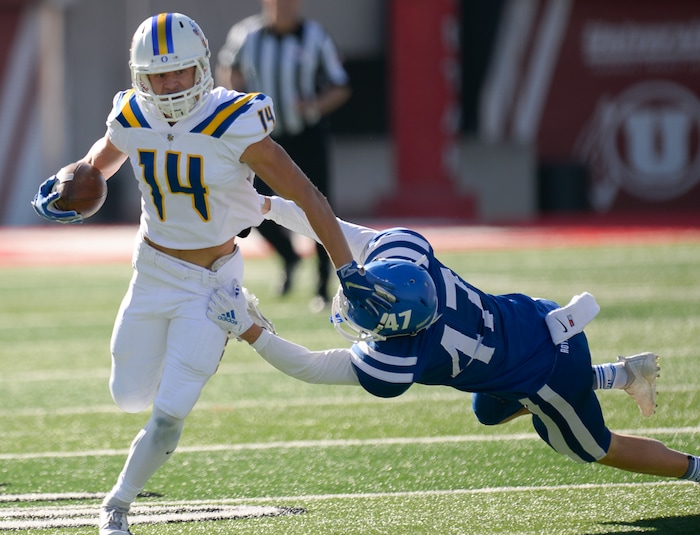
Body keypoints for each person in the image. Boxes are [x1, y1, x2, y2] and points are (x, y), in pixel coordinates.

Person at [30, 13, 389, 535]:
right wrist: (72, 183)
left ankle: (118, 504)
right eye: (158, 75)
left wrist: (346, 267)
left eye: (179, 72)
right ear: (140, 77)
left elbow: (307, 195)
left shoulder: (234, 120)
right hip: (153, 272)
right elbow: (97, 164)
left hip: (215, 284)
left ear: (202, 68)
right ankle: (184, 360)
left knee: (170, 411)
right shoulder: (132, 114)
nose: (170, 84)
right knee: (128, 395)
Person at [207, 195, 700, 487]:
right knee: (487, 411)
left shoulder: (398, 359)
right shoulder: (407, 259)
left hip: (548, 374)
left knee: (592, 449)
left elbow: (311, 366)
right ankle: (621, 374)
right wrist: (265, 205)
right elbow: (326, 225)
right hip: (538, 319)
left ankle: (694, 470)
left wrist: (250, 330)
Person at [216, 0, 352, 310]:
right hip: (262, 138)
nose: (283, 8)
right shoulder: (246, 34)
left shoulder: (316, 36)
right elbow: (229, 68)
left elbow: (341, 85)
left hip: (307, 134)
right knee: (250, 204)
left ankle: (323, 284)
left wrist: (315, 105)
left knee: (317, 205)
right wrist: (239, 104)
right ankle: (289, 256)